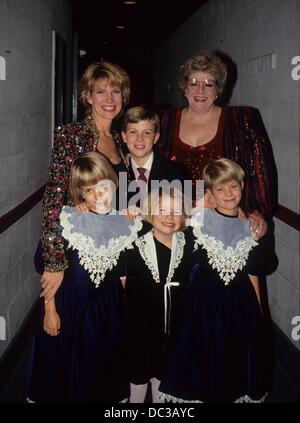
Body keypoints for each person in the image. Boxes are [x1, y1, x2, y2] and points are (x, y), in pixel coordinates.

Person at [158, 158, 278, 403]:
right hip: (203, 306)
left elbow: (254, 273)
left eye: (233, 186)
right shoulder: (198, 220)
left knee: (234, 362)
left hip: (239, 307)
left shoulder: (253, 226)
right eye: (220, 189)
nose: (228, 193)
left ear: (242, 186)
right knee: (202, 361)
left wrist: (259, 312)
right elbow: (169, 215)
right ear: (210, 193)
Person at [28, 152, 142, 402]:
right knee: (66, 374)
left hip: (107, 309)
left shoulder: (125, 222)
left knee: (100, 375)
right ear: (80, 193)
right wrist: (50, 310)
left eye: (103, 187)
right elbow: (46, 267)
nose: (98, 196)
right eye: (89, 191)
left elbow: (171, 214)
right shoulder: (67, 219)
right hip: (70, 307)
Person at [39, 61, 130, 302]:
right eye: (101, 91)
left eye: (116, 91)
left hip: (110, 249)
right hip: (77, 253)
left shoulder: (121, 142)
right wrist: (55, 263)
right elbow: (53, 199)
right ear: (88, 97)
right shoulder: (70, 135)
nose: (110, 99)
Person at [157, 51, 278, 231]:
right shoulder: (165, 120)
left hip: (226, 223)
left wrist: (259, 212)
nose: (200, 91)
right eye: (194, 83)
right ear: (185, 88)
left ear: (218, 89)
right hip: (176, 222)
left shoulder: (241, 119)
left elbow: (262, 173)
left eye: (209, 84)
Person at [123, 186, 195, 403]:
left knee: (164, 377)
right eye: (162, 210)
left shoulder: (189, 244)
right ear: (150, 213)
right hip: (141, 328)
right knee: (138, 377)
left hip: (175, 326)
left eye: (175, 212)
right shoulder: (135, 245)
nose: (169, 217)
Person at [121, 105, 189, 209]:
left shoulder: (177, 171)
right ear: (124, 137)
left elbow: (187, 211)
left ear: (156, 137)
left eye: (147, 133)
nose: (140, 138)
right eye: (133, 132)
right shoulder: (117, 173)